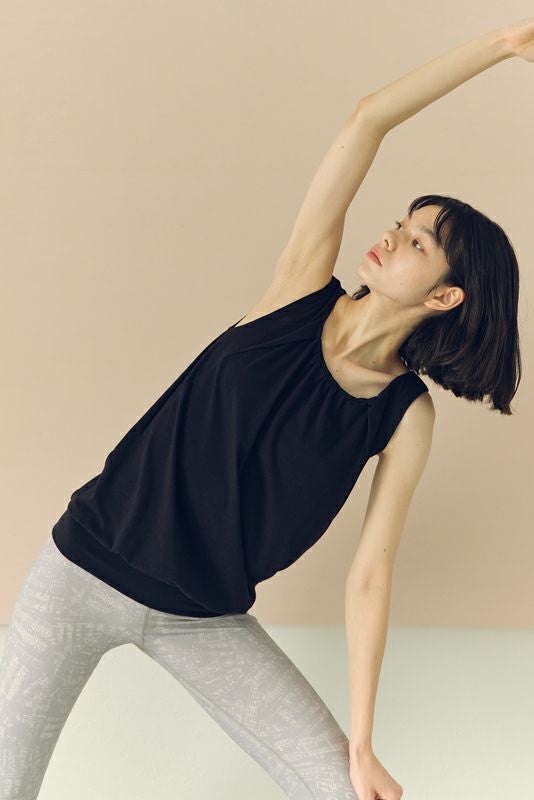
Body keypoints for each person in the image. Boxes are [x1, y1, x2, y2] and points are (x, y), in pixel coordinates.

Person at [1, 18, 529, 800]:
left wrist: (363, 744)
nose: (392, 237)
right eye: (401, 223)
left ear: (446, 297)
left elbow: (370, 576)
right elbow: (368, 120)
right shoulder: (299, 286)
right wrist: (503, 46)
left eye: (419, 244)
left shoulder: (404, 416)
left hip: (201, 617)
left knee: (349, 792)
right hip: (80, 574)